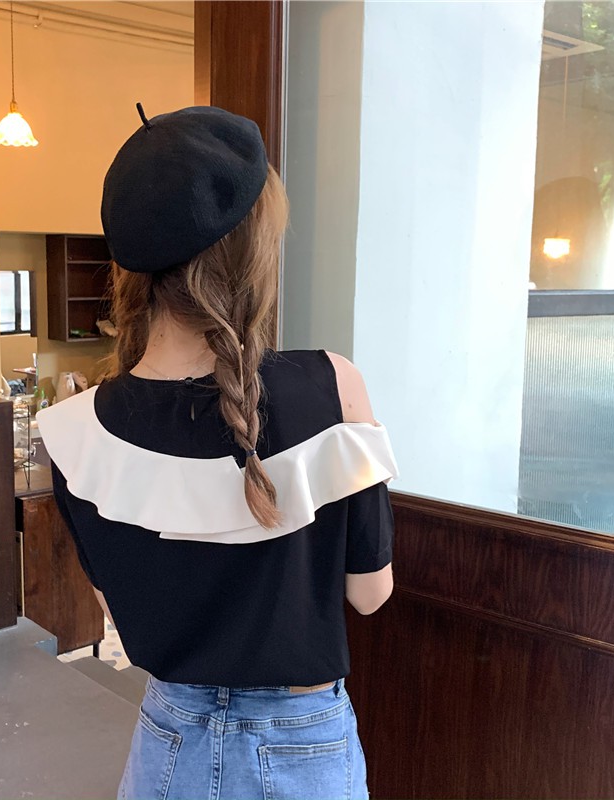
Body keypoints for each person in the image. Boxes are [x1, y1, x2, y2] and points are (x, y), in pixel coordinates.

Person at [37, 103, 398, 800]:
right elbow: (370, 593)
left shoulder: (74, 431)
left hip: (166, 740)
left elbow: (121, 608)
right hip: (303, 744)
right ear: (253, 250)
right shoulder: (333, 385)